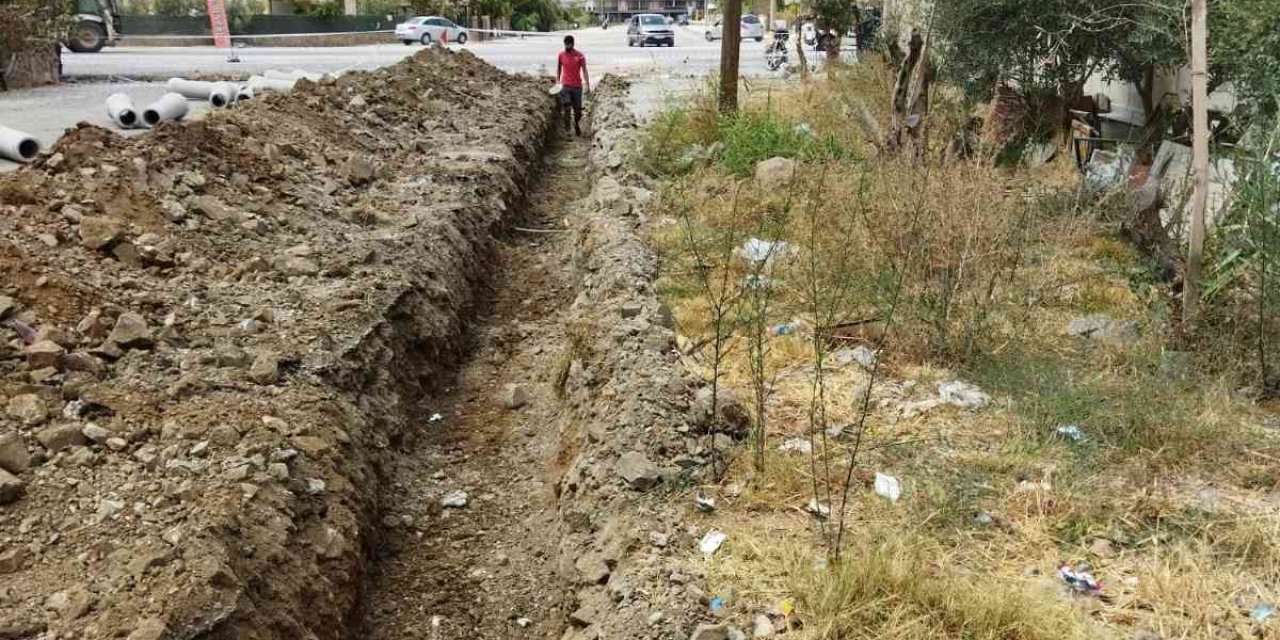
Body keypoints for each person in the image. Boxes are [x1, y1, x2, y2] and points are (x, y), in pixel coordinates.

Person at [557, 34, 590, 137]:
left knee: (578, 111)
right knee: (567, 108)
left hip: (577, 87)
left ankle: (576, 123)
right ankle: (567, 130)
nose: (567, 46)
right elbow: (559, 68)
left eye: (569, 44)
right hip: (565, 86)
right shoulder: (561, 55)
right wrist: (558, 80)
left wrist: (587, 84)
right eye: (566, 44)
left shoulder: (580, 56)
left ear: (572, 44)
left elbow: (584, 70)